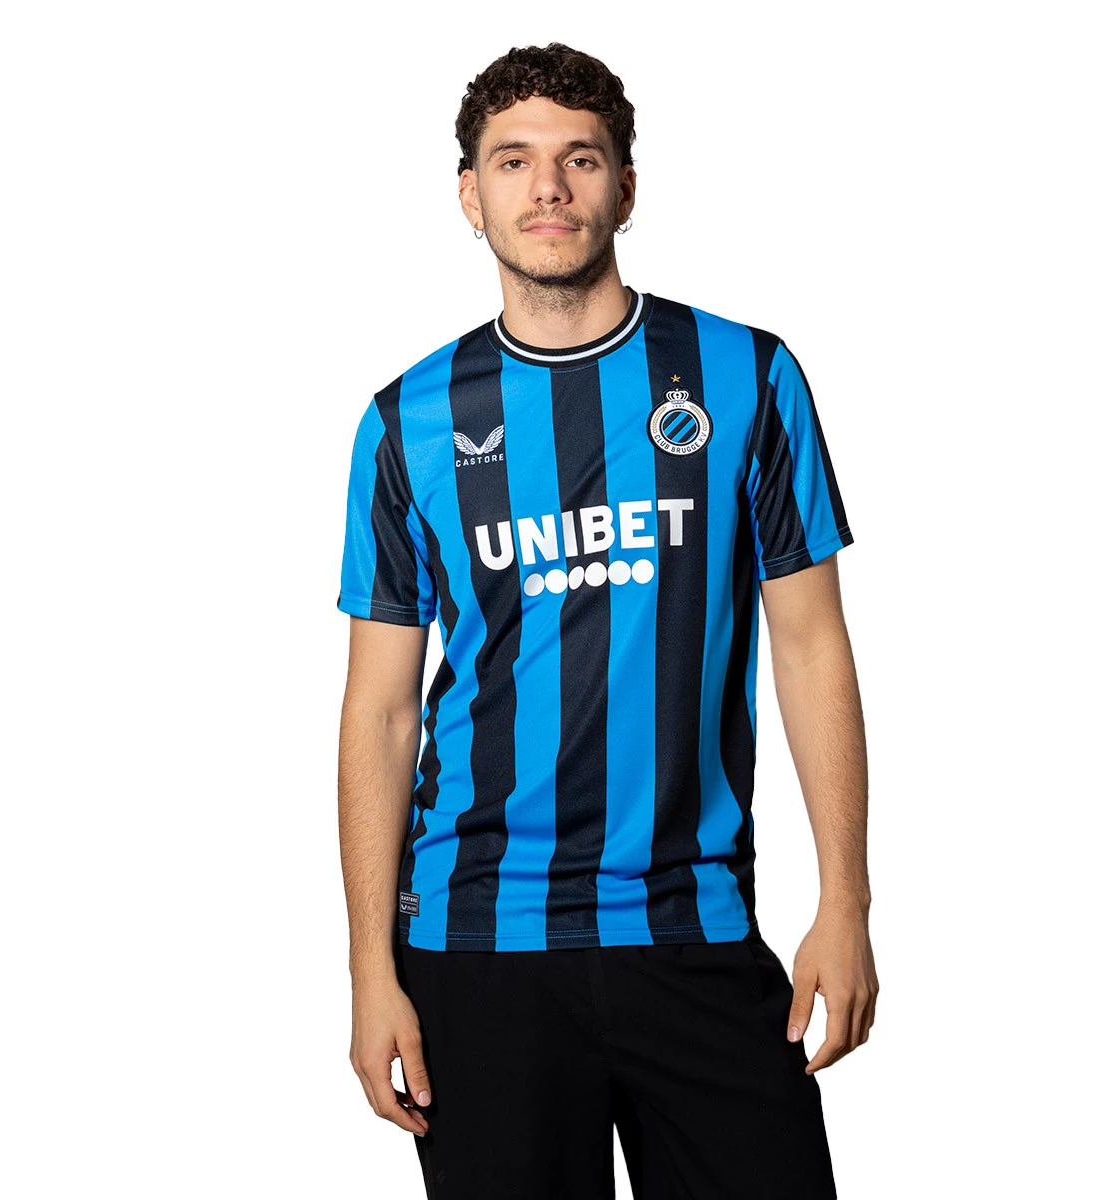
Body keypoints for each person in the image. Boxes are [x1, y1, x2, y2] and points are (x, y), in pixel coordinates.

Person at [335, 42, 876, 1200]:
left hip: (693, 923)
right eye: (513, 161)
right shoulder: (407, 422)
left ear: (625, 187)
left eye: (580, 158)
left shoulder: (745, 377)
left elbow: (811, 643)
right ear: (469, 195)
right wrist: (369, 970)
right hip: (478, 943)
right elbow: (380, 711)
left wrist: (847, 899)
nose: (548, 187)